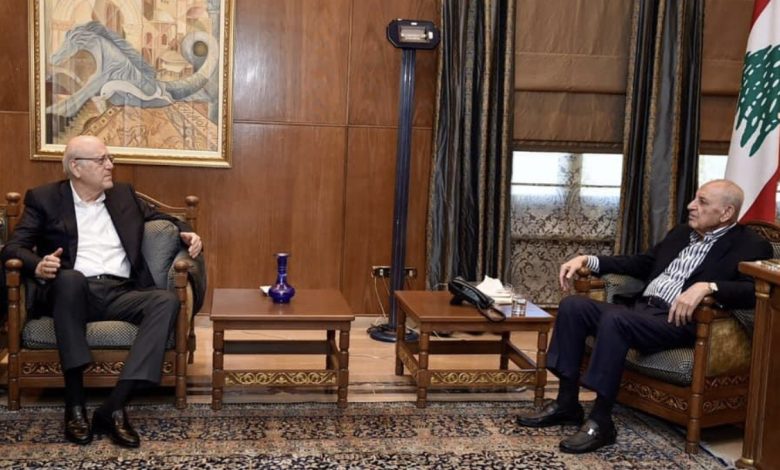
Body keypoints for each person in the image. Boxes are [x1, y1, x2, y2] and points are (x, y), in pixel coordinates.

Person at [516, 179, 772, 454]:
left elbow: (756, 291)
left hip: (676, 321)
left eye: (702, 202)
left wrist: (710, 287)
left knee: (615, 320)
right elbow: (642, 263)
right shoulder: (681, 233)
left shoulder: (751, 245)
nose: (691, 206)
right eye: (694, 199)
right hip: (641, 310)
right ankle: (567, 403)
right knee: (573, 306)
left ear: (726, 213)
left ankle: (601, 422)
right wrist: (589, 260)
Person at [0, 135, 202, 448]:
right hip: (71, 293)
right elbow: (13, 247)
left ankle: (114, 406)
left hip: (121, 292)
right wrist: (38, 265)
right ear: (76, 167)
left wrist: (186, 233)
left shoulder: (123, 194)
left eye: (110, 159)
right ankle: (75, 402)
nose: (110, 166)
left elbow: (163, 217)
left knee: (165, 300)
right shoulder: (45, 198)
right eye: (102, 160)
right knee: (70, 279)